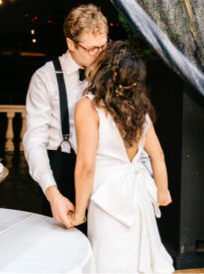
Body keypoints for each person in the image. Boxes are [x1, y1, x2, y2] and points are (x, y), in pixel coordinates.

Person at [70, 41, 173, 272]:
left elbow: (86, 166)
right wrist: (162, 191)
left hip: (108, 199)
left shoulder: (88, 108)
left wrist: (79, 212)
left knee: (109, 261)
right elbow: (158, 156)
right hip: (138, 196)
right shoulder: (139, 109)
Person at [22, 4, 109, 228]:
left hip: (103, 172)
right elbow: (34, 141)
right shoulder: (44, 78)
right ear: (70, 43)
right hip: (61, 169)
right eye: (91, 49)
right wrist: (52, 193)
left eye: (103, 46)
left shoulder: (110, 74)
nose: (99, 54)